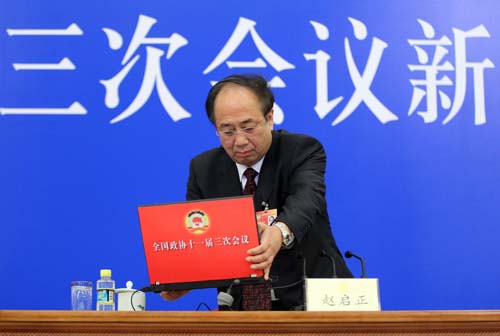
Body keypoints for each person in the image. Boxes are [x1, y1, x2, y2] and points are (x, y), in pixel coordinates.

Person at [162, 74, 352, 310]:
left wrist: (278, 233)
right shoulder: (203, 169)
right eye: (228, 131)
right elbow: (201, 238)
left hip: (316, 301)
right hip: (243, 310)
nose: (240, 141)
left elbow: (305, 201)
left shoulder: (302, 151)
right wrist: (186, 279)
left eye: (248, 127)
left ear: (269, 118)